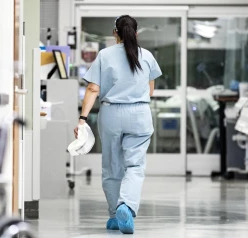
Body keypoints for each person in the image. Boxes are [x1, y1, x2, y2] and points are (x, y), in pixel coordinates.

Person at [74, 15, 162, 234]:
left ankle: (115, 213)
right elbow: (150, 91)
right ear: (136, 33)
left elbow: (93, 89)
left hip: (112, 114)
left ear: (115, 33)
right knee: (134, 166)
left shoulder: (104, 55)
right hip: (140, 114)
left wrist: (82, 119)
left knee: (112, 167)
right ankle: (127, 205)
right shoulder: (147, 56)